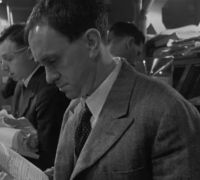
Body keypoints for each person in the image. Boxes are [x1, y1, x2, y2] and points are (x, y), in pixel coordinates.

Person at [26, 0, 200, 179]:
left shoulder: (167, 111)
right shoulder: (74, 109)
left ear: (91, 42)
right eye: (42, 65)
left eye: (53, 61)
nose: (48, 77)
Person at [0, 23, 70, 170]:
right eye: (2, 60)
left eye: (9, 59)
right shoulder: (20, 85)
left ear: (30, 52)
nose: (3, 67)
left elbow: (50, 155)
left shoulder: (49, 91)